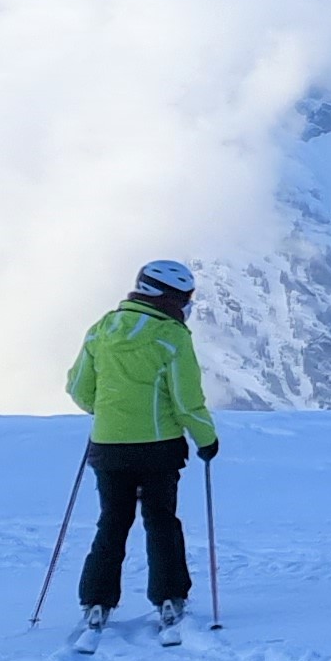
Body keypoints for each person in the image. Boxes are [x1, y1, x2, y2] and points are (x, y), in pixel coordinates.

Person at [63, 259, 218, 640]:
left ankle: (96, 602)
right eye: (185, 297)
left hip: (108, 446)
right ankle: (169, 597)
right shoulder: (172, 336)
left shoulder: (102, 329)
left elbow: (79, 388)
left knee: (112, 522)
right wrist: (206, 439)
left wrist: (111, 415)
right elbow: (186, 400)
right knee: (161, 520)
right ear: (167, 296)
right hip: (158, 447)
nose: (188, 305)